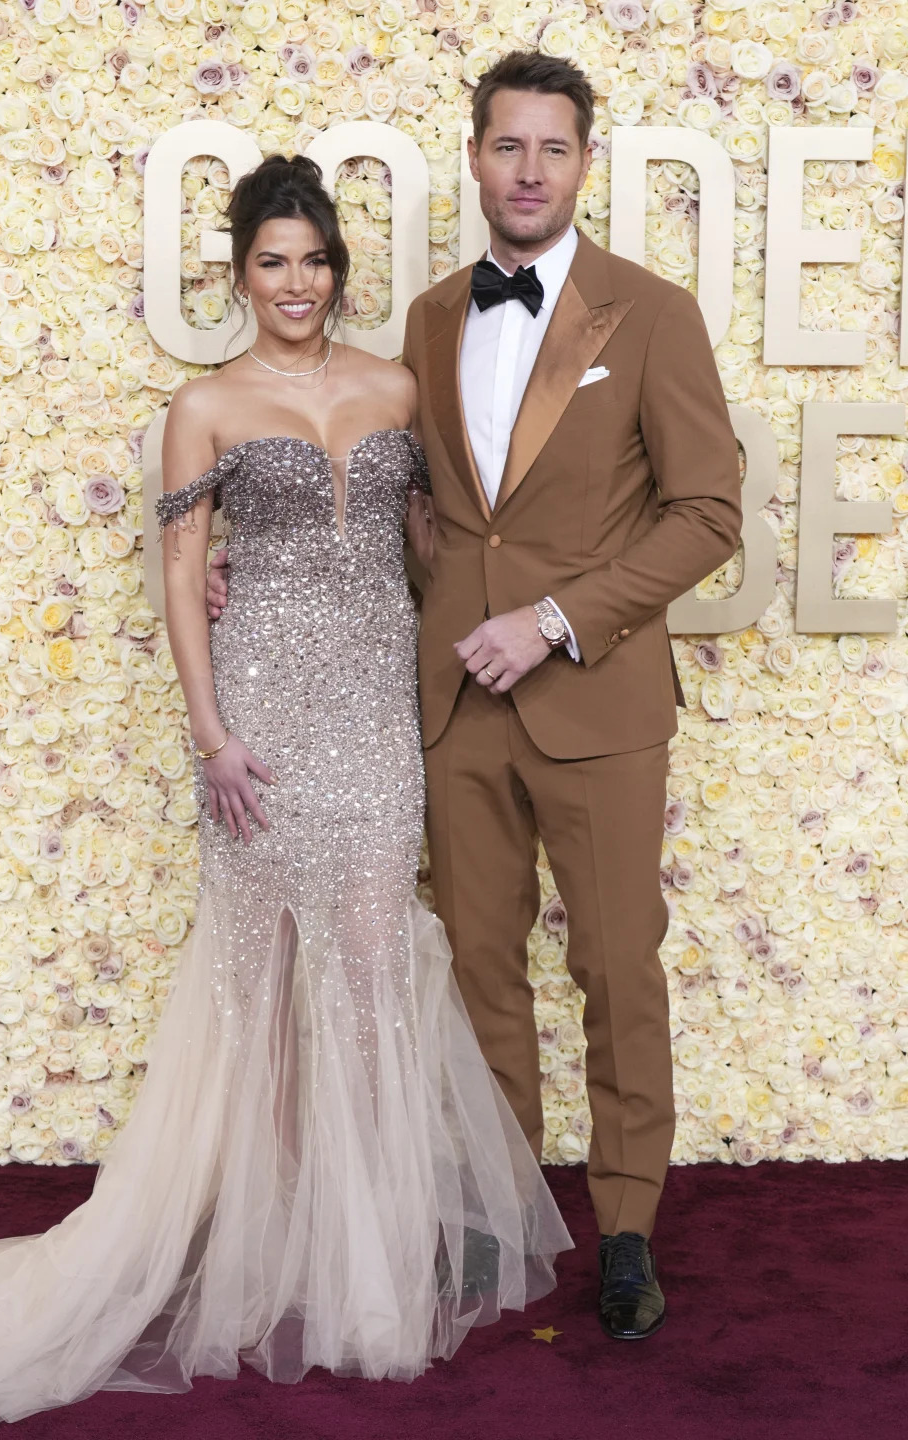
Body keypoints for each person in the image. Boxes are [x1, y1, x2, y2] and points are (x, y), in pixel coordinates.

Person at [0, 155, 572, 1437]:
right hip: (261, 724)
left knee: (369, 971)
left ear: (338, 268)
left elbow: (436, 547)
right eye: (272, 261)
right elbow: (182, 577)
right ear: (239, 274)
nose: (297, 283)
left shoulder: (398, 385)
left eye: (315, 259)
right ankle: (277, 1243)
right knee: (264, 991)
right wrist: (210, 736)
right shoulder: (204, 407)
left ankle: (364, 1252)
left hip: (375, 721)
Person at [208, 51, 744, 1344]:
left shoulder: (653, 312)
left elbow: (710, 512)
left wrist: (558, 620)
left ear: (583, 165)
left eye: (554, 150)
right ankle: (506, 1219)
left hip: (598, 700)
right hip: (448, 706)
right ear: (475, 156)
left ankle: (623, 1228)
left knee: (617, 969)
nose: (529, 170)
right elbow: (410, 506)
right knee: (481, 975)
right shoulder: (437, 319)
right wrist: (249, 556)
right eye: (509, 147)